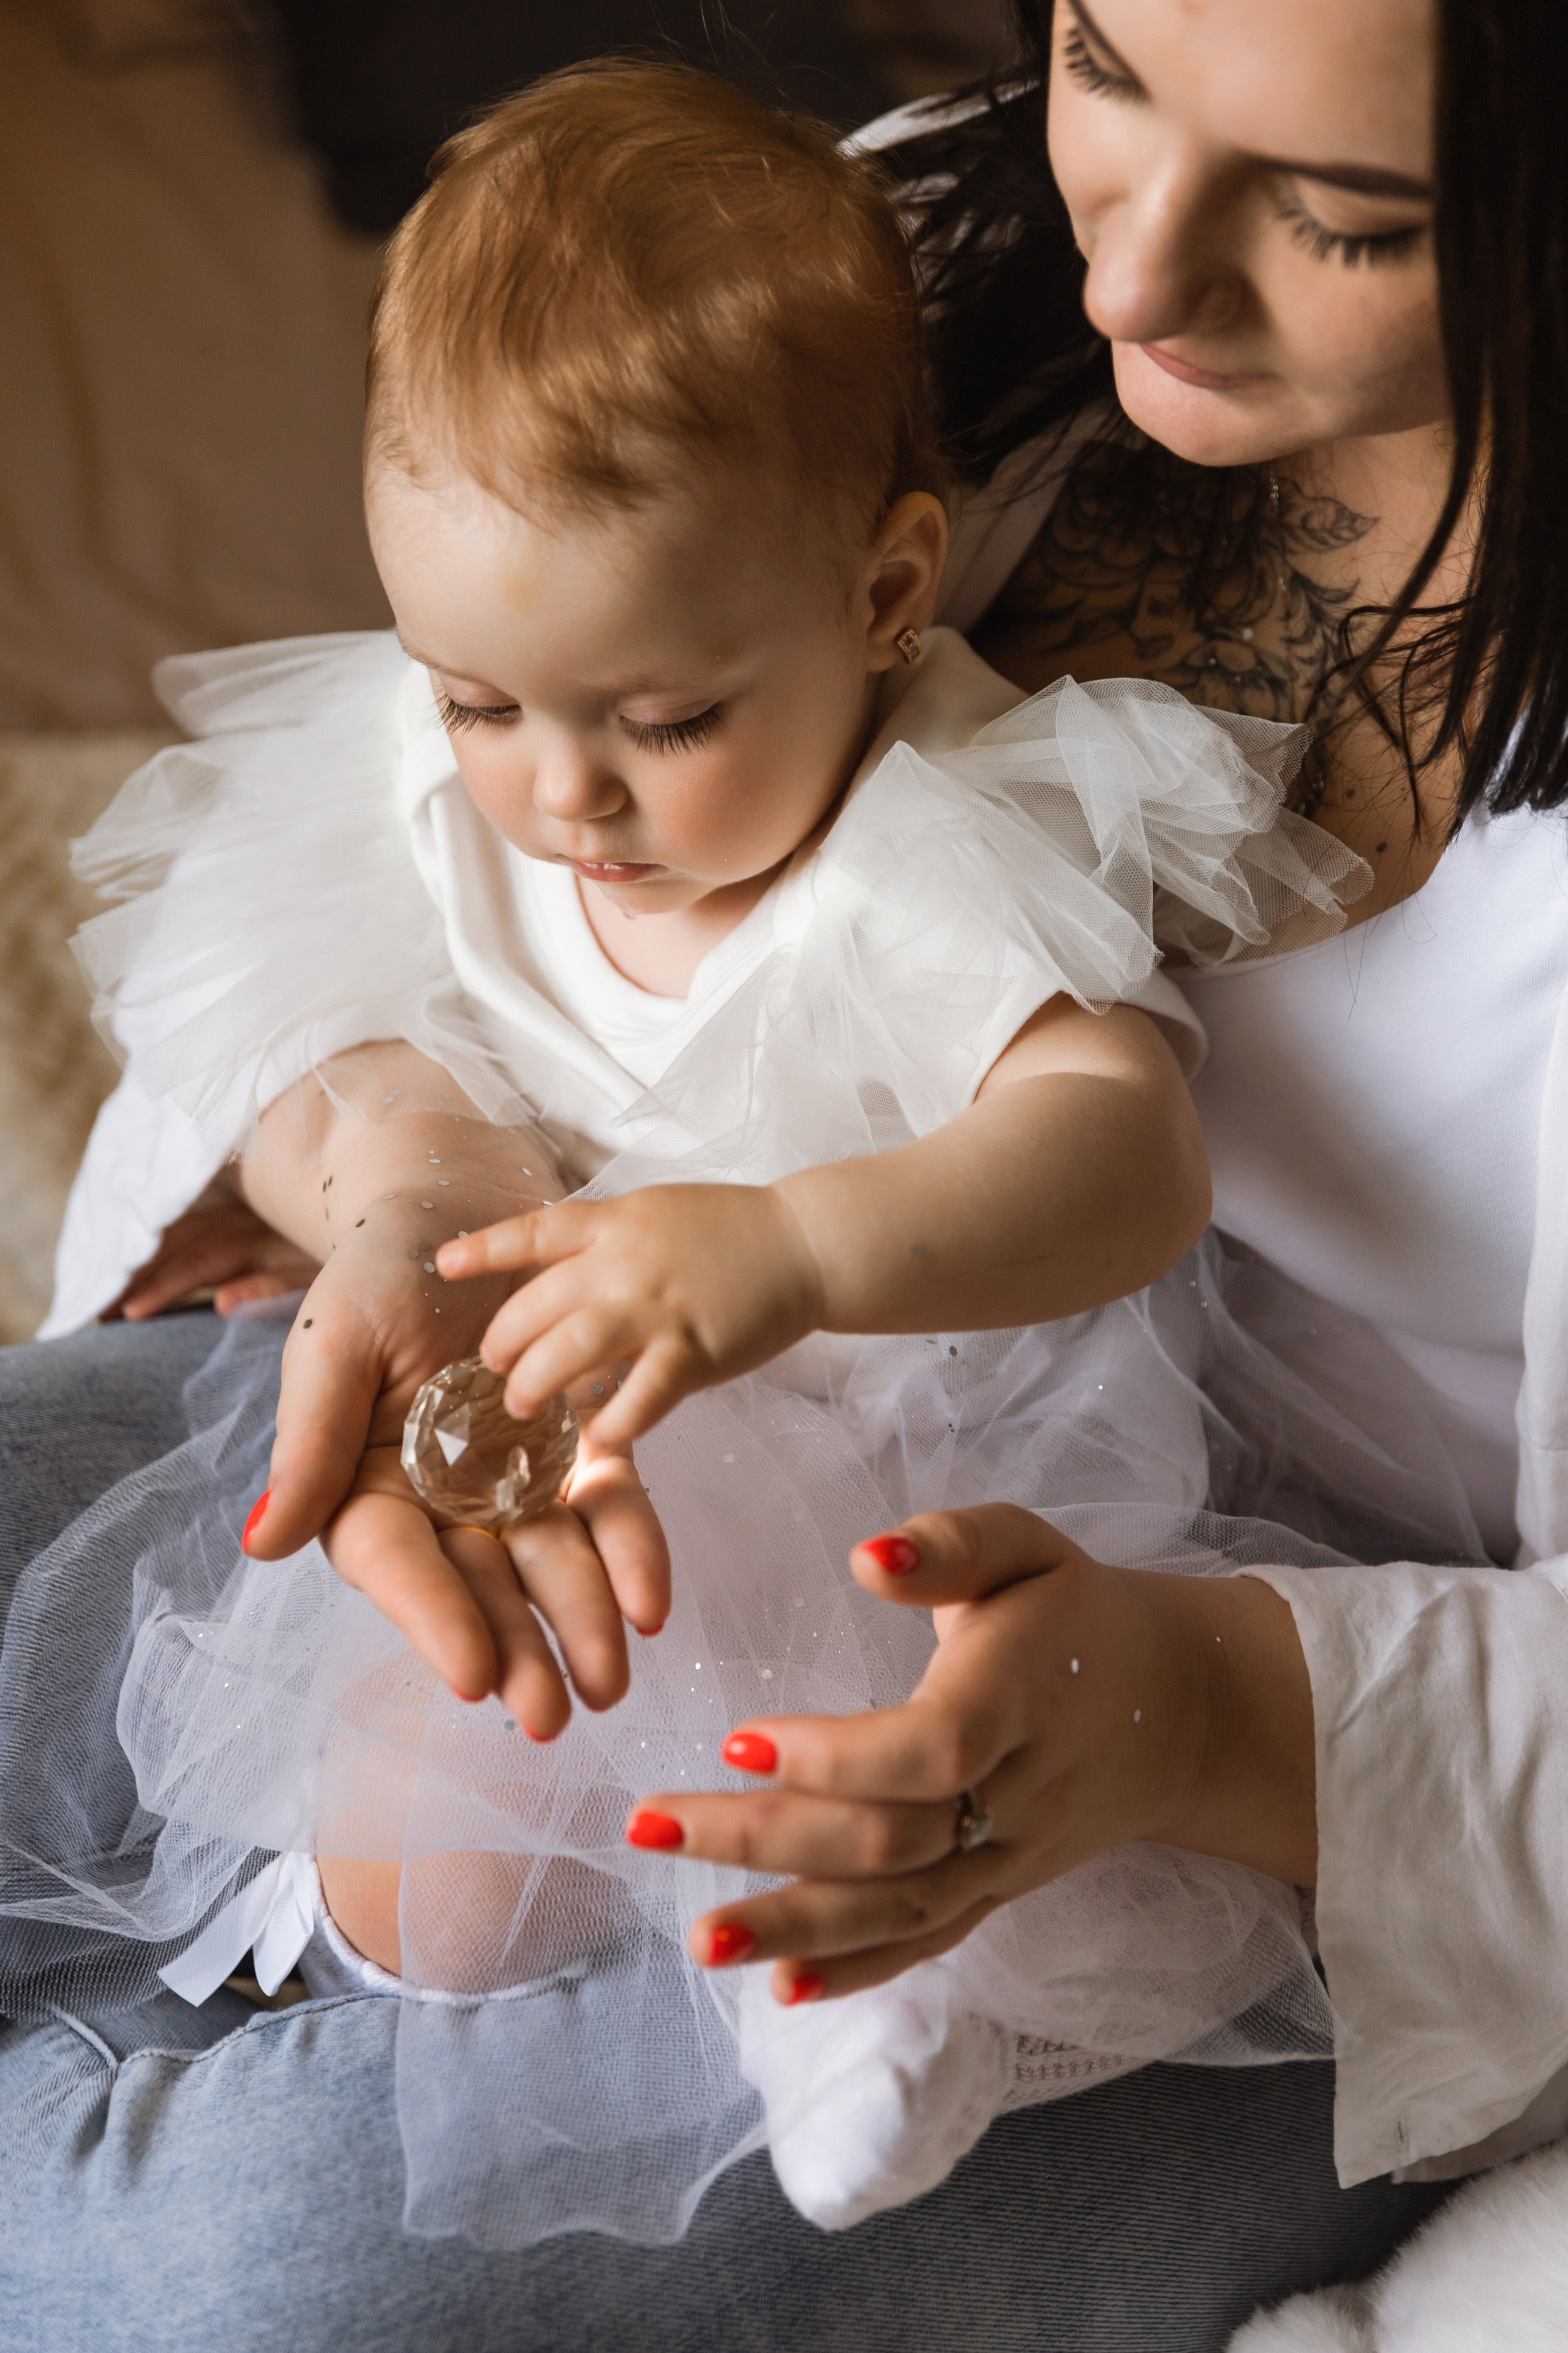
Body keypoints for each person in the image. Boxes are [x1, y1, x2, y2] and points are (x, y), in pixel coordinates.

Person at [1, 0, 1549, 2343]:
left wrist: (1190, 1712)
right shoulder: (904, 250)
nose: (1129, 279)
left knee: (262, 2268)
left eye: (1345, 215)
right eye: (1111, 66)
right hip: (615, 1366)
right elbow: (412, 834)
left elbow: (1083, 1135)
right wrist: (387, 1192)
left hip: (1205, 1740)